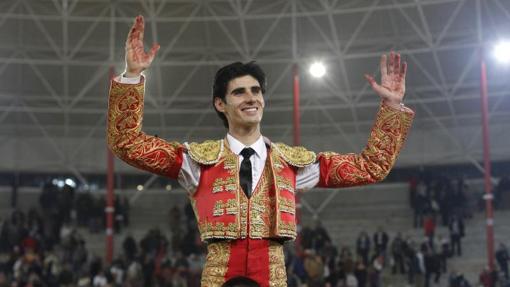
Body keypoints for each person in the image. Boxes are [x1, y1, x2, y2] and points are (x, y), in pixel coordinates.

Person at [107, 15, 414, 287]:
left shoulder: (294, 165)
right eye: (239, 92)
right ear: (220, 104)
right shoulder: (196, 161)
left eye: (256, 91)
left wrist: (392, 106)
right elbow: (126, 142)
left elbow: (372, 166)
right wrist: (132, 75)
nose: (251, 98)